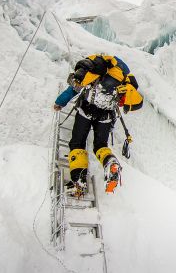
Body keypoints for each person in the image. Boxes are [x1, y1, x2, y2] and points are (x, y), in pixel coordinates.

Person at [54, 54, 143, 195]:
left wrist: (60, 102)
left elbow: (74, 89)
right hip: (106, 117)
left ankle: (78, 181)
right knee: (100, 146)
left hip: (86, 110)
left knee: (77, 143)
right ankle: (111, 163)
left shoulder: (95, 71)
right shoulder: (122, 77)